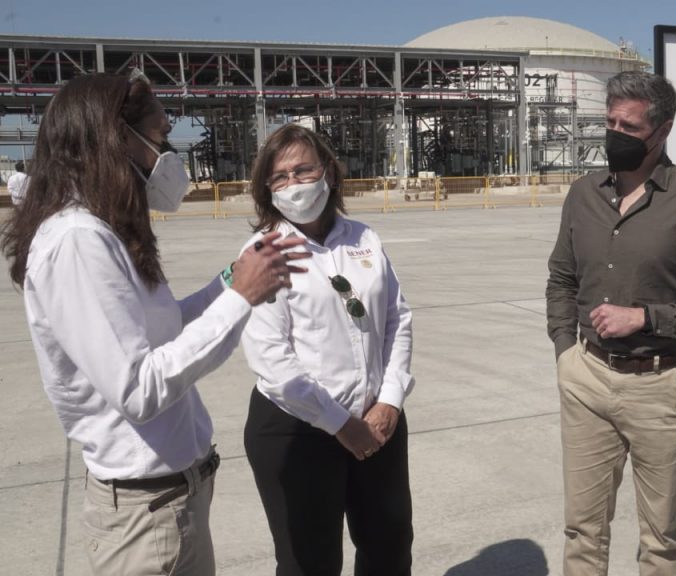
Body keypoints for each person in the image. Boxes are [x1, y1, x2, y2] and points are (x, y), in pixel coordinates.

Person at [0, 73, 307, 575]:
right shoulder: (77, 241)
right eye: (161, 136)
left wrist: (231, 280)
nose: (167, 153)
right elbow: (138, 389)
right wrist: (241, 297)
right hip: (146, 519)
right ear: (116, 138)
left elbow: (166, 330)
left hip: (172, 502)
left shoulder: (105, 232)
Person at [546, 70, 676, 576]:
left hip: (661, 385)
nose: (616, 134)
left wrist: (646, 318)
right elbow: (561, 279)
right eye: (610, 122)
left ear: (663, 131)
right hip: (587, 378)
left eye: (630, 127)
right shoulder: (583, 194)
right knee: (582, 530)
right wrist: (566, 351)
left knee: (661, 539)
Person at [240, 124, 415, 576]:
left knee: (389, 548)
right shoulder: (262, 253)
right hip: (298, 430)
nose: (293, 184)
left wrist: (390, 400)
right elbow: (272, 361)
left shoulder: (364, 239)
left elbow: (396, 319)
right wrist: (340, 424)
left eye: (303, 170)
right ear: (267, 189)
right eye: (280, 177)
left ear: (329, 173)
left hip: (377, 423)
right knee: (310, 563)